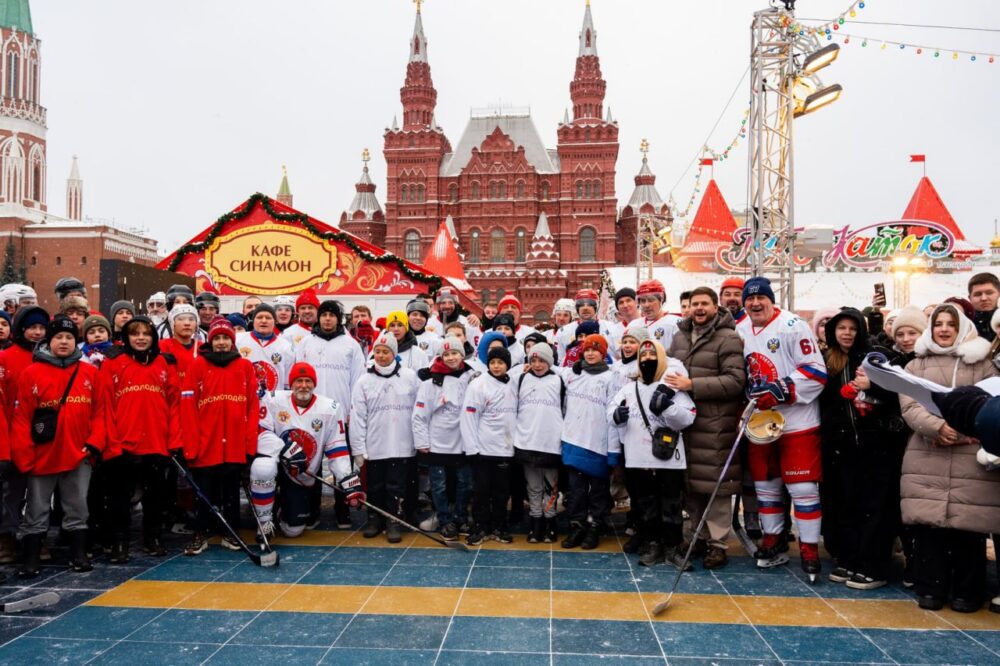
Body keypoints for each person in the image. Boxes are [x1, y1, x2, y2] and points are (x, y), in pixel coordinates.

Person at [898, 303, 997, 612]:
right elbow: (909, 405)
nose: (943, 329)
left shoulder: (983, 365)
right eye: (938, 324)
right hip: (928, 453)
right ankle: (930, 589)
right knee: (929, 528)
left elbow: (993, 403)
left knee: (969, 527)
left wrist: (965, 427)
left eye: (950, 324)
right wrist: (937, 426)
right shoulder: (916, 364)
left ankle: (968, 592)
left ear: (962, 327)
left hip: (970, 455)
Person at [736, 277, 827, 579]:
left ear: (771, 299)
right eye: (749, 299)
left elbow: (816, 371)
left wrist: (783, 388)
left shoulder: (793, 326)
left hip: (797, 422)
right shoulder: (741, 329)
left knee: (802, 487)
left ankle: (809, 548)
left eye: (761, 297)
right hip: (761, 423)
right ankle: (772, 540)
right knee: (766, 486)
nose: (755, 303)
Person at [818, 308, 906, 590]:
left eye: (852, 328)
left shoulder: (876, 357)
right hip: (841, 447)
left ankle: (875, 565)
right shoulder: (828, 360)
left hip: (876, 445)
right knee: (846, 506)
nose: (846, 333)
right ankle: (851, 559)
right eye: (841, 328)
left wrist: (875, 387)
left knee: (874, 508)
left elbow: (900, 393)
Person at [12, 315, 106, 576]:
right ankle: (31, 558)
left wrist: (93, 444)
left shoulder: (89, 373)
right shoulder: (31, 373)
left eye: (68, 337)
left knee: (77, 506)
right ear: (49, 341)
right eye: (58, 337)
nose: (63, 342)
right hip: (42, 455)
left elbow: (100, 412)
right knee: (37, 508)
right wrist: (25, 456)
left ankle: (78, 554)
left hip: (79, 454)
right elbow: (21, 418)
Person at [667, 286, 746, 569]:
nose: (698, 308)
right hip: (685, 424)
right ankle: (696, 536)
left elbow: (736, 382)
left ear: (715, 307)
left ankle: (718, 544)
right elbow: (668, 368)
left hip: (715, 424)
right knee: (692, 486)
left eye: (704, 304)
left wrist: (693, 386)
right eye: (694, 304)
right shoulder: (679, 336)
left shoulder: (729, 338)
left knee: (717, 489)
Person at [100, 316, 182, 560]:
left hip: (156, 443)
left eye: (146, 333)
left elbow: (174, 405)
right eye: (135, 334)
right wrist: (112, 445)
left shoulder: (164, 364)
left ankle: (152, 537)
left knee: (156, 496)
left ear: (153, 337)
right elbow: (105, 406)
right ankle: (120, 542)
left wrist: (174, 441)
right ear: (127, 338)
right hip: (123, 444)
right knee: (119, 498)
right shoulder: (113, 362)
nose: (141, 338)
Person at [610, 339, 696, 567]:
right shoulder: (629, 388)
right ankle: (652, 543)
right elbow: (611, 412)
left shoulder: (671, 386)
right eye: (644, 356)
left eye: (652, 356)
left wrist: (668, 407)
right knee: (645, 504)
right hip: (638, 458)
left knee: (671, 506)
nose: (648, 359)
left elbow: (688, 417)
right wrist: (617, 415)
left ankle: (673, 546)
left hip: (668, 459)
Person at [251, 362, 359, 539]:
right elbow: (261, 432)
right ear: (291, 384)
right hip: (275, 463)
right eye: (298, 381)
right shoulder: (272, 400)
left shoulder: (330, 409)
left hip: (301, 474)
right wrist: (285, 448)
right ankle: (264, 523)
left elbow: (336, 449)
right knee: (263, 467)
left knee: (293, 530)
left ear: (314, 384)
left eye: (308, 381)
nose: (303, 385)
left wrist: (347, 480)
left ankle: (279, 508)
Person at [183, 318, 260, 555]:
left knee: (230, 491)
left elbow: (252, 407)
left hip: (235, 441)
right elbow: (188, 405)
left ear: (232, 341)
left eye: (226, 338)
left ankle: (231, 532)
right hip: (206, 440)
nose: (222, 342)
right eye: (217, 338)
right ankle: (201, 533)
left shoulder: (244, 366)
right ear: (211, 341)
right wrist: (191, 442)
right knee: (204, 491)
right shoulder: (198, 365)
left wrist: (249, 442)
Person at [350, 333, 421, 543]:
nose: (381, 356)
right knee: (375, 485)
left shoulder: (409, 377)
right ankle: (374, 518)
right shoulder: (364, 380)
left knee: (396, 485)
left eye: (386, 352)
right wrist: (358, 448)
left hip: (402, 444)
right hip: (375, 444)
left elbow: (419, 410)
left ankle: (394, 520)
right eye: (378, 351)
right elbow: (357, 416)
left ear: (394, 353)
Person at [561, 334, 624, 550]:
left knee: (598, 492)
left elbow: (613, 414)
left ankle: (594, 527)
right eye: (587, 349)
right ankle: (577, 527)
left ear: (603, 353)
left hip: (598, 443)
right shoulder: (572, 374)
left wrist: (614, 451)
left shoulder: (611, 377)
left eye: (595, 350)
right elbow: (545, 369)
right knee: (576, 491)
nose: (590, 353)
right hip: (573, 440)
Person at [412, 337, 476, 540]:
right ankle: (445, 520)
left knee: (464, 483)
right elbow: (420, 415)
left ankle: (460, 516)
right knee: (439, 485)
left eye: (454, 353)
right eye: (446, 354)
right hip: (438, 442)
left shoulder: (472, 377)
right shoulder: (431, 382)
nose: (450, 358)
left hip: (464, 441)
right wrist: (422, 441)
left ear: (462, 355)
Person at [0, 306, 48, 564]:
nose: (37, 332)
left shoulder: (49, 357)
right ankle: (6, 537)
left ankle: (35, 539)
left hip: (42, 436)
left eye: (41, 328)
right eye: (32, 328)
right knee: (12, 493)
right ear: (21, 329)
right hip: (11, 434)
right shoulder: (6, 358)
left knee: (39, 495)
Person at [461, 345, 517, 544]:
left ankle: (499, 526)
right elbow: (468, 418)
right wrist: (472, 448)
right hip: (483, 449)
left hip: (505, 449)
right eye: (492, 362)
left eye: (500, 362)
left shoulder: (513, 384)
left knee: (501, 493)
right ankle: (480, 526)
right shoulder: (478, 385)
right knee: (481, 492)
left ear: (507, 365)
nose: (496, 366)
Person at [513, 341, 564, 543]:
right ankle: (535, 521)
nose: (537, 364)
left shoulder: (558, 380)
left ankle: (550, 520)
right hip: (527, 439)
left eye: (542, 360)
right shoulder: (522, 378)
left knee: (550, 485)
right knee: (533, 486)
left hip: (551, 440)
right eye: (533, 360)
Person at [236, 303, 294, 395]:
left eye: (268, 318)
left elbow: (287, 384)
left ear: (275, 321)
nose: (263, 321)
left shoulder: (286, 346)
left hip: (273, 404)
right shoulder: (238, 340)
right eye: (259, 317)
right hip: (243, 400)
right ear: (253, 320)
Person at [555, 289, 617, 361]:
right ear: (576, 308)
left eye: (590, 304)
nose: (585, 308)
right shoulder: (564, 332)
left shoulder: (611, 328)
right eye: (581, 304)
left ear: (596, 306)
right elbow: (560, 360)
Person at [635, 280, 680, 351]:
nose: (646, 305)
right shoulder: (633, 325)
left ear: (662, 300)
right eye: (643, 301)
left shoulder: (675, 323)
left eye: (651, 300)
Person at [967, 272, 999, 342]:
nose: (984, 298)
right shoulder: (964, 327)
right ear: (970, 298)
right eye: (977, 294)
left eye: (989, 293)